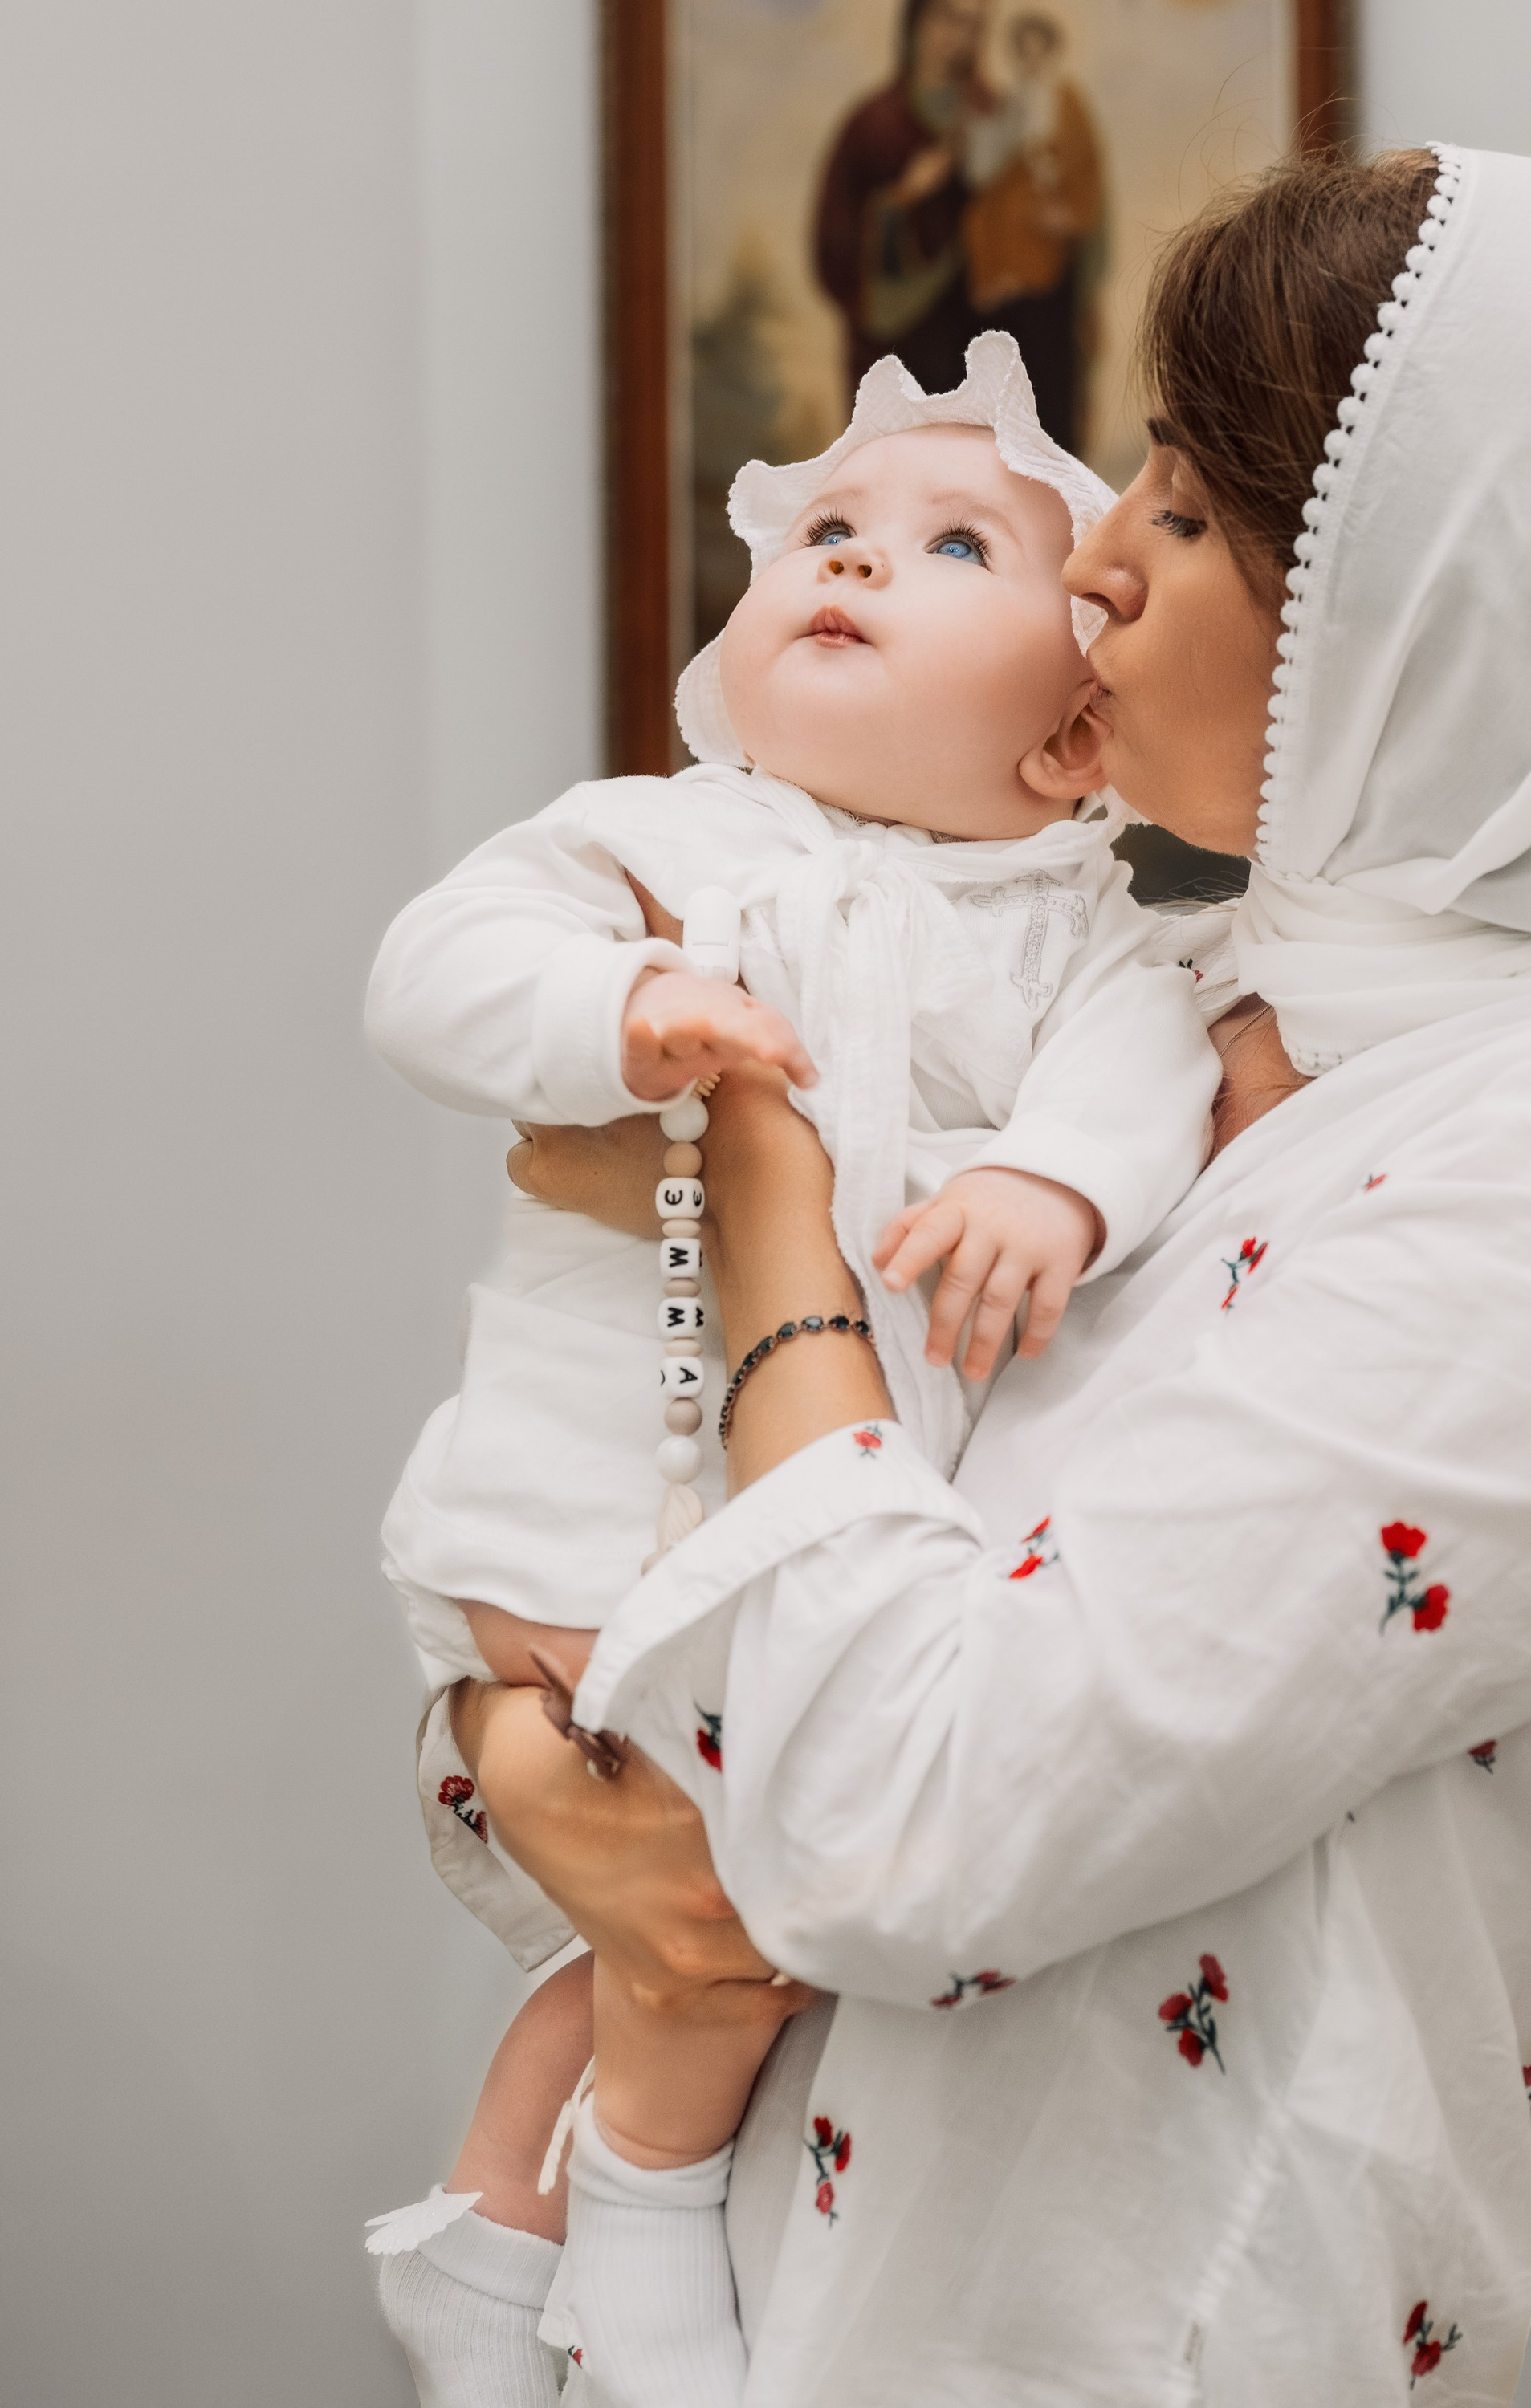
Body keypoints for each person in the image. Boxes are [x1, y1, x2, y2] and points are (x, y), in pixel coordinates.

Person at [446, 147, 1531, 2402]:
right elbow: (639, 1576)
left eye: (1198, 514)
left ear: (1437, 605)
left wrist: (761, 1193)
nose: (1097, 564)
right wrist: (508, 1750)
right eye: (1138, 467)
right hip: (744, 2295)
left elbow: (913, 1817)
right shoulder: (1178, 985)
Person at [361, 339, 1221, 2407]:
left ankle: (489, 2239)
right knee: (708, 1895)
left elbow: (1147, 1071)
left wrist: (1048, 1183)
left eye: (947, 544)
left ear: (1067, 744)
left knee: (694, 1911)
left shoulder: (1090, 929)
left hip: (820, 1528)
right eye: (822, 533)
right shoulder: (662, 841)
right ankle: (644, 2226)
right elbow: (432, 970)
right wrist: (619, 1001)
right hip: (583, 1495)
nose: (853, 557)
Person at [810, 0, 1000, 399]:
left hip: (974, 343)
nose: (960, 36)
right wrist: (905, 197)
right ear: (915, 21)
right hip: (892, 351)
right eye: (949, 17)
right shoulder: (873, 125)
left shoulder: (991, 118)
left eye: (974, 24)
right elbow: (831, 246)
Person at [960, 9, 1106, 452]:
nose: (1031, 61)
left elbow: (1087, 174)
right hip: (1010, 263)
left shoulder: (1068, 104)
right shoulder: (1007, 107)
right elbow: (986, 184)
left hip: (1051, 263)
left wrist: (1068, 215)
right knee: (1009, 376)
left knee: (1051, 372)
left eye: (1038, 51)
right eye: (1023, 53)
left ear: (1050, 52)